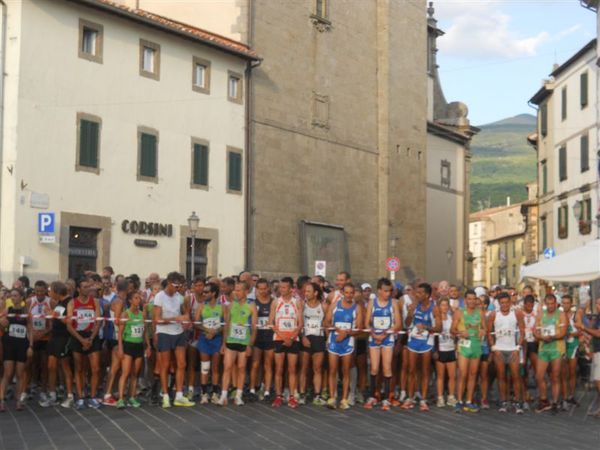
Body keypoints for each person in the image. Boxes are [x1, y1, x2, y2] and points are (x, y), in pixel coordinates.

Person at [153, 272, 195, 408]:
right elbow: (157, 319)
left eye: (180, 286)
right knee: (164, 365)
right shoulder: (159, 296)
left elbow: (185, 315)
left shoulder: (180, 297)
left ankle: (179, 395)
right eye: (176, 286)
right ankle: (165, 395)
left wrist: (186, 321)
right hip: (164, 333)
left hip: (178, 333)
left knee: (182, 364)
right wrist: (175, 319)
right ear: (169, 282)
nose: (178, 289)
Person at [401, 283, 441, 412]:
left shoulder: (434, 308)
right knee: (411, 370)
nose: (416, 295)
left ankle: (423, 399)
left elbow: (439, 328)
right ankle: (410, 397)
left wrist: (426, 327)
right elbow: (407, 324)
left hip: (426, 342)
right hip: (413, 341)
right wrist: (410, 314)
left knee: (425, 371)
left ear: (427, 295)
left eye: (419, 293)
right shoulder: (414, 306)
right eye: (416, 292)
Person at [324, 282, 363, 410]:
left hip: (348, 341)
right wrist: (338, 330)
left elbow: (359, 328)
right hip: (334, 340)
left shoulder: (357, 308)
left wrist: (345, 333)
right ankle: (332, 398)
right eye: (346, 292)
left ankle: (344, 399)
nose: (349, 295)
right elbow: (326, 322)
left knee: (346, 371)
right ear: (342, 293)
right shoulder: (335, 305)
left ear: (354, 294)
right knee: (332, 370)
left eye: (351, 293)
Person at [364, 278, 401, 411]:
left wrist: (384, 334)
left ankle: (386, 398)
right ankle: (373, 395)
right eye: (385, 291)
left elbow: (398, 324)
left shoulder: (394, 303)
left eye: (390, 291)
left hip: (387, 338)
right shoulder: (372, 303)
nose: (388, 293)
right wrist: (374, 334)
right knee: (374, 368)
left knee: (387, 368)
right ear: (379, 291)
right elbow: (367, 322)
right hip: (374, 338)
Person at [218, 281, 257, 406]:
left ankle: (238, 396)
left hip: (244, 342)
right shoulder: (230, 305)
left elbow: (254, 328)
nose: (236, 292)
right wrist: (223, 344)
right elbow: (226, 325)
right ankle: (223, 395)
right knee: (227, 367)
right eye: (235, 289)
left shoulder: (251, 305)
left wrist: (250, 345)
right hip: (231, 340)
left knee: (241, 368)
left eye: (239, 290)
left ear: (246, 292)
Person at [67, 278, 102, 409]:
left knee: (96, 368)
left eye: (89, 287)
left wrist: (91, 338)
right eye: (85, 287)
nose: (88, 289)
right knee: (79, 368)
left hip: (92, 336)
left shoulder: (95, 302)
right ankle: (80, 397)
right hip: (78, 336)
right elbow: (69, 326)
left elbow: (98, 321)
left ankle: (92, 397)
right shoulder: (72, 303)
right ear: (78, 289)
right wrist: (82, 340)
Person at [487, 291, 526, 414]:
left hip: (512, 350)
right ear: (499, 303)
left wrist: (518, 347)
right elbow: (489, 332)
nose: (504, 305)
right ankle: (503, 401)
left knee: (515, 376)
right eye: (501, 303)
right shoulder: (494, 314)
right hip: (499, 349)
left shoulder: (517, 313)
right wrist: (493, 348)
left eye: (506, 302)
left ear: (510, 302)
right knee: (501, 376)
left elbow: (522, 331)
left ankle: (517, 402)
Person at [270, 277, 303, 408]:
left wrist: (292, 337)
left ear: (290, 289)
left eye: (284, 287)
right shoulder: (275, 302)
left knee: (292, 369)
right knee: (279, 369)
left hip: (293, 339)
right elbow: (271, 322)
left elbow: (300, 324)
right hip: (279, 339)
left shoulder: (297, 302)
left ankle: (292, 397)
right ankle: (278, 396)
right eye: (280, 287)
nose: (281, 290)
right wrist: (284, 337)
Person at [452, 289, 485, 413]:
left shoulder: (480, 312)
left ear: (476, 300)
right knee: (462, 374)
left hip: (476, 346)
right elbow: (452, 330)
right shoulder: (459, 312)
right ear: (465, 300)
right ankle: (459, 401)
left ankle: (469, 401)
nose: (471, 301)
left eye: (473, 299)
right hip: (464, 347)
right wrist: (461, 333)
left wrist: (483, 331)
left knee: (473, 375)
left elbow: (484, 328)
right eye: (469, 299)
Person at [0, 288, 32, 411]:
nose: (13, 298)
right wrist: (1, 323)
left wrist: (31, 346)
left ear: (21, 297)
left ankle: (19, 400)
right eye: (11, 296)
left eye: (15, 296)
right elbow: (2, 325)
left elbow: (30, 329)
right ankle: (1, 400)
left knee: (20, 374)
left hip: (22, 344)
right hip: (9, 343)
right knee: (7, 373)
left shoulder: (26, 311)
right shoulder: (8, 310)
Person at [534, 294, 567, 413]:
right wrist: (542, 337)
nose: (550, 306)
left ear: (556, 303)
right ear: (545, 304)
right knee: (539, 376)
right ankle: (544, 400)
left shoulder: (561, 314)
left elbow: (563, 332)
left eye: (552, 303)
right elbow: (535, 331)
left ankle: (554, 402)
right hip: (543, 348)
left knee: (555, 376)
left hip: (557, 349)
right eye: (548, 304)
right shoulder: (540, 314)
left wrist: (552, 337)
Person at [116, 291, 150, 408]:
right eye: (136, 298)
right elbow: (120, 334)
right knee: (125, 373)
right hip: (128, 345)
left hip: (139, 345)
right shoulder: (125, 314)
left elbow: (144, 332)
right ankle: (121, 399)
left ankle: (132, 397)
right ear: (130, 300)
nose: (138, 300)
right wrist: (120, 348)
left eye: (139, 298)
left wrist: (148, 345)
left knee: (135, 374)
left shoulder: (142, 314)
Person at [46, 281, 74, 408]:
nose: (49, 293)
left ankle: (69, 396)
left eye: (50, 290)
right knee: (51, 366)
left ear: (56, 291)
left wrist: (54, 314)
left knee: (65, 367)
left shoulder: (70, 302)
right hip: (54, 337)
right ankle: (52, 395)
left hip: (64, 338)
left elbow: (69, 321)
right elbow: (57, 317)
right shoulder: (58, 303)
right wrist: (52, 314)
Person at [194, 282, 223, 404]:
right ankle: (204, 393)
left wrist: (215, 331)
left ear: (214, 293)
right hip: (205, 338)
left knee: (215, 367)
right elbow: (196, 323)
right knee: (205, 367)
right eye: (203, 292)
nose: (203, 293)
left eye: (206, 292)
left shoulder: (222, 307)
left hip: (216, 339)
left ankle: (215, 393)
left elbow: (225, 324)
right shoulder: (201, 306)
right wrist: (207, 330)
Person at [299, 282, 327, 406]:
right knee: (304, 368)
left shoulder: (323, 306)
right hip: (305, 338)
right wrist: (302, 336)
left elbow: (326, 324)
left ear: (315, 293)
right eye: (305, 291)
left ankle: (317, 395)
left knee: (317, 368)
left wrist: (327, 340)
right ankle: (302, 394)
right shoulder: (302, 305)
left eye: (308, 291)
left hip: (318, 339)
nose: (306, 293)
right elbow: (299, 323)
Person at [102, 279, 127, 406]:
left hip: (117, 336)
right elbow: (117, 320)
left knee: (117, 368)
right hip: (116, 337)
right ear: (127, 289)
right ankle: (107, 395)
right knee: (115, 367)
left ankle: (114, 392)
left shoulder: (119, 300)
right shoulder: (119, 301)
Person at [27, 280, 52, 406]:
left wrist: (42, 334)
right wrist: (31, 335)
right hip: (32, 337)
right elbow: (26, 321)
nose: (39, 294)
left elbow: (52, 324)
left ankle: (43, 389)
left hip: (45, 338)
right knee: (31, 363)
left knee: (44, 364)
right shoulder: (29, 301)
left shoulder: (50, 302)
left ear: (46, 291)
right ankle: (31, 386)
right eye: (37, 291)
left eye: (42, 291)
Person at [249, 278, 274, 402]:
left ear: (268, 288)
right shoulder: (253, 303)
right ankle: (252, 390)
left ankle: (267, 391)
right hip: (257, 337)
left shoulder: (273, 302)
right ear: (256, 290)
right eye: (260, 289)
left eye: (265, 288)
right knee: (255, 364)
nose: (263, 291)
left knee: (268, 365)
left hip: (270, 337)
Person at [577, 297, 600, 416]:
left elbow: (598, 333)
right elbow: (593, 328)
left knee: (598, 380)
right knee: (597, 380)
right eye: (597, 303)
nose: (597, 306)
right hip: (597, 350)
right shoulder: (598, 317)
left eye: (599, 304)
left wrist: (584, 328)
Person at [435, 297, 457, 408]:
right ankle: (440, 397)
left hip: (450, 348)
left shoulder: (450, 318)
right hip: (441, 349)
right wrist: (436, 350)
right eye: (442, 305)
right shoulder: (436, 319)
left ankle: (451, 396)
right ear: (438, 307)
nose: (444, 307)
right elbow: (434, 335)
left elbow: (455, 331)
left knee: (452, 376)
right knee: (440, 376)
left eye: (446, 305)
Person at [185, 276, 205, 401]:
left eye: (201, 285)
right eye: (196, 285)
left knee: (203, 362)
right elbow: (186, 315)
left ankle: (201, 387)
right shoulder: (189, 299)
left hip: (204, 333)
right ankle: (191, 388)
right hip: (192, 334)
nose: (199, 288)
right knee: (192, 362)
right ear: (193, 287)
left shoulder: (207, 299)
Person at [561, 294, 582, 410]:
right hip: (562, 347)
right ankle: (564, 396)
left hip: (573, 346)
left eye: (567, 303)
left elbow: (580, 331)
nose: (565, 305)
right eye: (563, 303)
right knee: (564, 373)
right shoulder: (559, 315)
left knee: (572, 372)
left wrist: (568, 334)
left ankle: (571, 395)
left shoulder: (576, 315)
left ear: (571, 304)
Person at [521, 294, 538, 407]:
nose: (529, 307)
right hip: (523, 343)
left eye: (531, 305)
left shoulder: (536, 314)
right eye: (527, 305)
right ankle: (524, 394)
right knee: (523, 369)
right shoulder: (520, 314)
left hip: (533, 342)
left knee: (537, 368)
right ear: (524, 304)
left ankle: (540, 395)